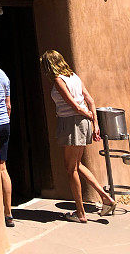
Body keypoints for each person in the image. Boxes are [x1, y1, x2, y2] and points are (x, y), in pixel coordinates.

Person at [40, 50, 116, 222]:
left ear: (49, 65)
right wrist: (94, 123)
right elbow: (90, 99)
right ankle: (106, 197)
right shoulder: (74, 76)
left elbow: (74, 105)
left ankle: (80, 213)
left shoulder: (59, 80)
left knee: (70, 168)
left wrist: (89, 116)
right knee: (77, 164)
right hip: (81, 123)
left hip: (71, 123)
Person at [0, 65, 14, 227]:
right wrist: (6, 120)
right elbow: (8, 105)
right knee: (2, 167)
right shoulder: (2, 75)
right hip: (4, 123)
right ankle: (8, 213)